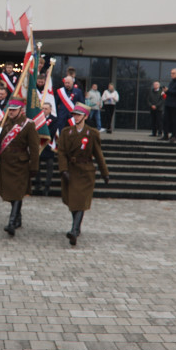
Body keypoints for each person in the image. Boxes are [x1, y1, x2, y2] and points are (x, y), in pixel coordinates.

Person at [0, 96, 40, 236]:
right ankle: (18, 217)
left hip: (20, 164)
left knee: (16, 193)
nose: (11, 112)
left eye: (14, 110)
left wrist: (34, 166)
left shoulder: (28, 124)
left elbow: (34, 148)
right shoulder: (3, 122)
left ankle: (11, 222)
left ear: (21, 110)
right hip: (5, 163)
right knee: (11, 193)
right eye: (10, 109)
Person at [58, 103, 110, 246]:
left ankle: (74, 230)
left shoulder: (92, 133)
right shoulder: (66, 132)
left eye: (79, 115)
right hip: (71, 170)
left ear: (85, 117)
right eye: (74, 114)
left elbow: (98, 154)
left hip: (85, 171)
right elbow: (61, 152)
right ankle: (77, 227)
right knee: (73, 201)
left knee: (80, 201)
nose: (76, 117)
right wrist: (63, 170)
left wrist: (105, 173)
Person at [33, 102, 57, 196]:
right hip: (39, 146)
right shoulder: (38, 119)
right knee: (36, 165)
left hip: (49, 146)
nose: (44, 110)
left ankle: (47, 185)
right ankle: (38, 183)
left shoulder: (54, 119)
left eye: (46, 108)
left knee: (49, 167)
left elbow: (53, 131)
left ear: (50, 110)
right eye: (42, 108)